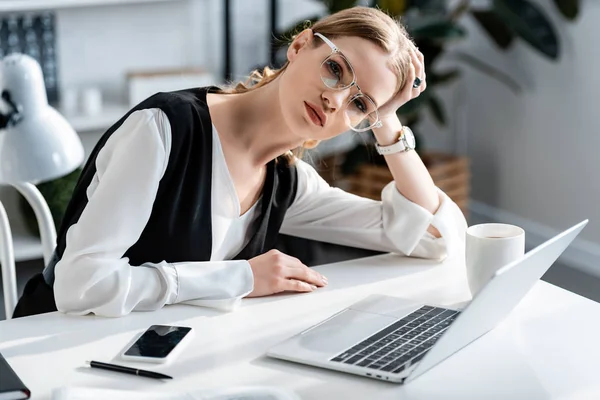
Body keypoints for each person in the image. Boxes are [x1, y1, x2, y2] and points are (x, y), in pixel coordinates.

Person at [13, 6, 467, 318]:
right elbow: (79, 285)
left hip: (158, 359)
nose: (335, 99)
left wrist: (387, 120)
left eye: (358, 104)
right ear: (300, 45)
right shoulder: (164, 130)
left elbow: (435, 237)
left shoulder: (286, 182)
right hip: (57, 353)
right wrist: (240, 277)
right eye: (335, 68)